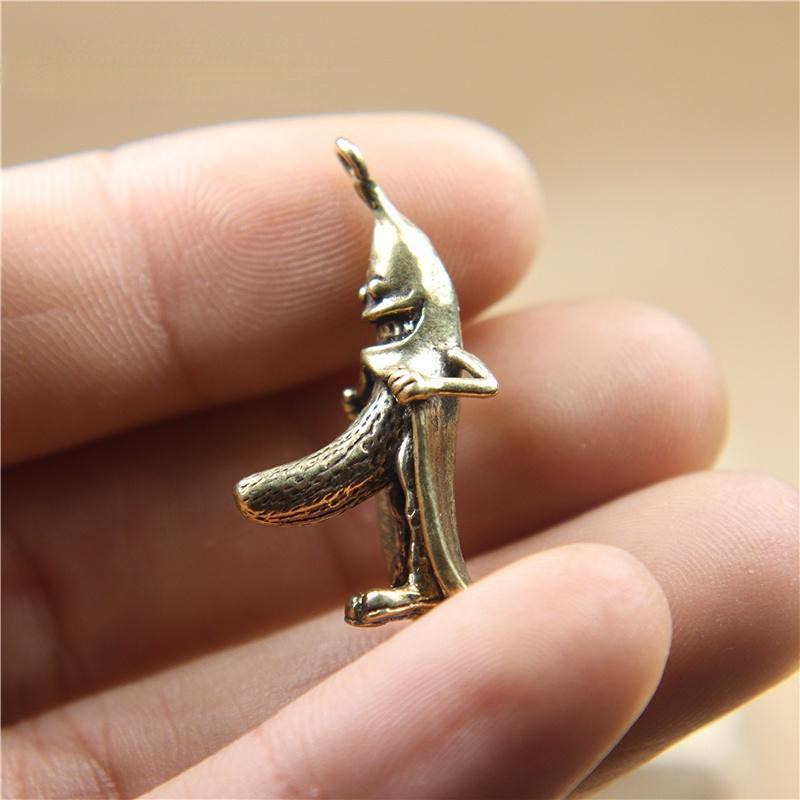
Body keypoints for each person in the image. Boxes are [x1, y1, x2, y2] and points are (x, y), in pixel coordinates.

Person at [2, 114, 797, 798]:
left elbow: (479, 377)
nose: (371, 310)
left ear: (416, 300)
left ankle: (437, 581)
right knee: (396, 509)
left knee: (425, 506)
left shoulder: (433, 344)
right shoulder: (386, 351)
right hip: (391, 435)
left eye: (384, 302)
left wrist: (424, 383)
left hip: (426, 429)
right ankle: (417, 583)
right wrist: (372, 397)